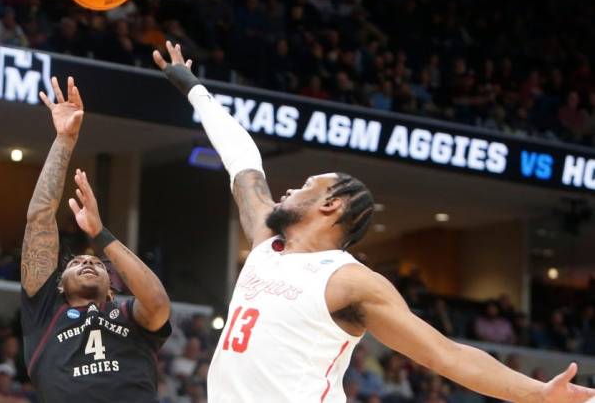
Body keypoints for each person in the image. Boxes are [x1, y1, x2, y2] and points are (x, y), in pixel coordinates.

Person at [153, 41, 595, 403]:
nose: (289, 190)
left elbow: (446, 354)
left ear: (333, 205)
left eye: (308, 184)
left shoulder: (350, 282)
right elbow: (243, 164)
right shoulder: (268, 240)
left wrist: (537, 393)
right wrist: (194, 89)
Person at [20, 77, 172, 402]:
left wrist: (100, 234)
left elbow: (158, 303)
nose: (88, 260)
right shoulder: (44, 315)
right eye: (76, 262)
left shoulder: (131, 315)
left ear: (112, 287)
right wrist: (64, 140)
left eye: (96, 263)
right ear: (59, 286)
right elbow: (39, 218)